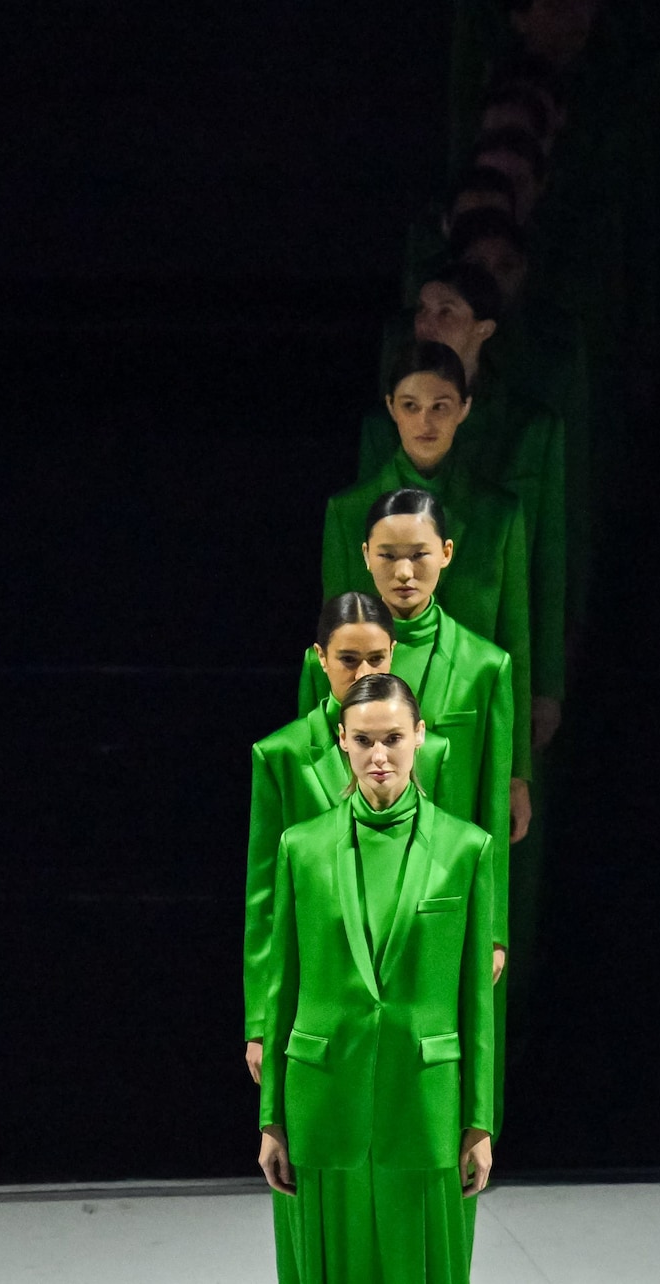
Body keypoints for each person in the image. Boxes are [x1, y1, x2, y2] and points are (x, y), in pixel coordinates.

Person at [257, 673, 498, 1283]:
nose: (379, 755)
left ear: (420, 735)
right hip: (321, 1097)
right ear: (343, 740)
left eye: (393, 737)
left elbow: (476, 1001)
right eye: (363, 740)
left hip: (424, 1097)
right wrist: (270, 1117)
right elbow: (281, 988)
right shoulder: (301, 847)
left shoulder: (467, 848)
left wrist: (480, 1120)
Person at [363, 265, 573, 750]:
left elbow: (547, 562)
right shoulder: (383, 429)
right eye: (422, 310)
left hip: (492, 642)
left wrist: (547, 686)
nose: (427, 323)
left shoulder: (529, 427)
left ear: (484, 328)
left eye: (446, 311)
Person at [297, 487, 523, 927]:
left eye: (419, 555)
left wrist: (494, 926)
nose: (403, 572)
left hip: (443, 887)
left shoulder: (485, 668)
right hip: (347, 887)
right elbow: (314, 777)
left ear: (446, 553)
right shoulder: (324, 664)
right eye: (387, 555)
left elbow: (492, 807)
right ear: (366, 556)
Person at [247, 593, 445, 1087]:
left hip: (403, 978)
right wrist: (260, 1022)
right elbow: (266, 898)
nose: (363, 674)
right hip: (323, 976)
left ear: (394, 652)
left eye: (376, 658)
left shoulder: (429, 750)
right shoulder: (282, 754)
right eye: (348, 660)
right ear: (321, 657)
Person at [323, 340, 536, 774]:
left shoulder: (498, 513)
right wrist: (331, 760)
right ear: (391, 407)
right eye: (411, 405)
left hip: (468, 734)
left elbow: (514, 639)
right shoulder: (350, 512)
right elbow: (336, 644)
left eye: (440, 406)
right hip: (375, 745)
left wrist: (516, 771)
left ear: (464, 407)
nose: (425, 421)